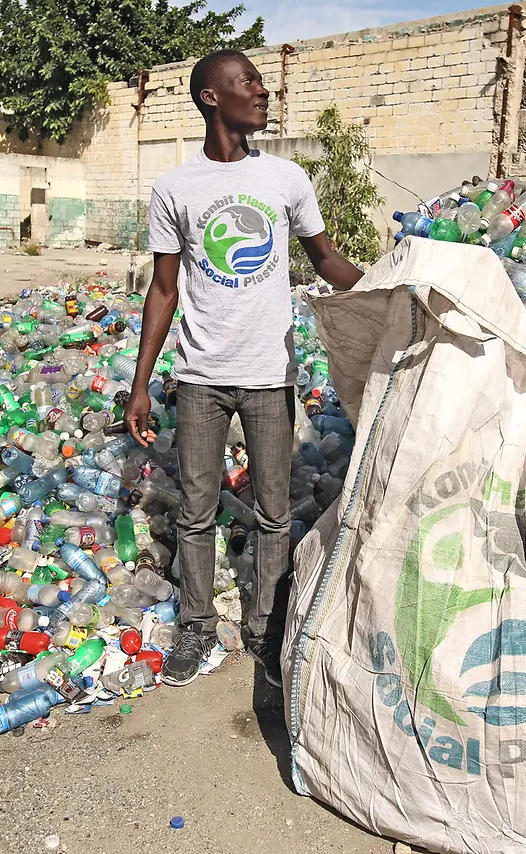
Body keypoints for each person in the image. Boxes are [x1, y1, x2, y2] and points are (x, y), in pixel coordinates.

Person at [123, 49, 365, 689]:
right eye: (248, 82)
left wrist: (392, 285)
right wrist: (142, 382)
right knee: (197, 511)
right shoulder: (175, 188)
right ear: (211, 97)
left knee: (273, 511)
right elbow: (164, 289)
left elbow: (326, 261)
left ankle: (266, 625)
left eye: (260, 81)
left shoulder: (287, 179)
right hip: (200, 376)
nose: (262, 92)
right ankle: (198, 626)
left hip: (269, 374)